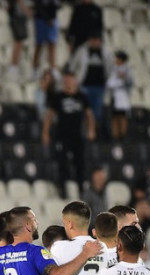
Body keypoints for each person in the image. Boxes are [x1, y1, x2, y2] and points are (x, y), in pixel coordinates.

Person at [43, 70, 95, 199]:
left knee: (80, 164)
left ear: (75, 81)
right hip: (62, 136)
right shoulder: (58, 97)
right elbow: (49, 116)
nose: (68, 82)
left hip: (77, 136)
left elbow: (89, 115)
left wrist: (91, 129)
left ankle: (81, 191)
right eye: (66, 80)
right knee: (62, 164)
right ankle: (63, 190)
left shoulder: (82, 97)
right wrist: (45, 133)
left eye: (70, 80)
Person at [71, 33, 114, 127]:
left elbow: (110, 68)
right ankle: (83, 130)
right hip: (84, 85)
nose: (94, 42)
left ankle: (94, 131)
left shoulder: (106, 52)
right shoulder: (82, 51)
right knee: (83, 109)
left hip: (99, 87)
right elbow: (73, 66)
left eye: (96, 40)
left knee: (96, 111)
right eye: (93, 40)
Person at [106, 51, 133, 139]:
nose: (116, 60)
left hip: (123, 98)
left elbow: (130, 83)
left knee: (123, 116)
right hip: (114, 97)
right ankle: (115, 136)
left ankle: (123, 135)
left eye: (118, 59)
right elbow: (109, 83)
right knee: (114, 117)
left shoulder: (127, 70)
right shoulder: (112, 69)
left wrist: (123, 78)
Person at [32, 0, 61, 72]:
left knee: (52, 44)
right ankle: (35, 68)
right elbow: (38, 5)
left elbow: (57, 5)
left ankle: (53, 68)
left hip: (53, 19)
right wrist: (47, 18)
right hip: (41, 19)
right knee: (39, 45)